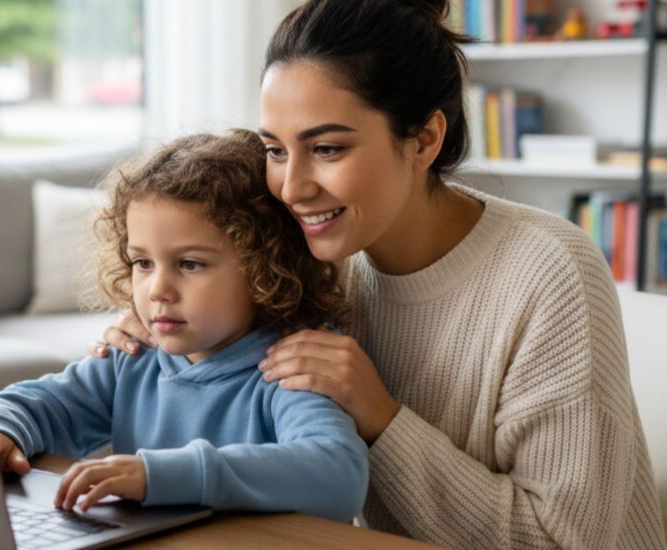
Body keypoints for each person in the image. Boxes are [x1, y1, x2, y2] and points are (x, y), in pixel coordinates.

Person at [90, 0, 667, 548]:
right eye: (276, 150)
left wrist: (382, 419)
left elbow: (561, 541)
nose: (292, 188)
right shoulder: (309, 252)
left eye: (328, 149)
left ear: (424, 139)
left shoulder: (548, 273)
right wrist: (159, 328)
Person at [0, 129, 368, 521]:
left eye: (190, 264)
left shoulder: (291, 367)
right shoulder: (136, 355)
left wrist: (160, 475)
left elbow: (339, 475)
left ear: (265, 271)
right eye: (143, 263)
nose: (158, 290)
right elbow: (46, 406)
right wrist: (2, 431)